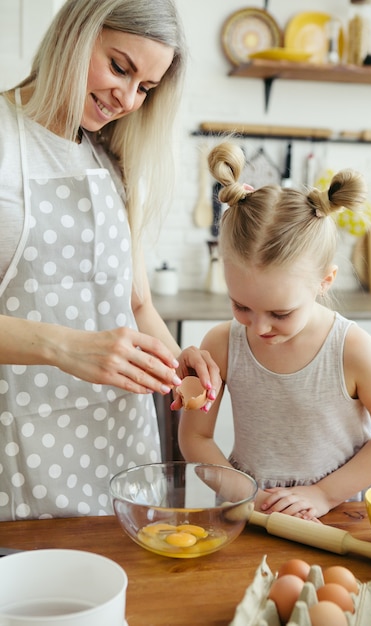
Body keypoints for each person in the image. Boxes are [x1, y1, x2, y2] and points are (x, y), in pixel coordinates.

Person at [0, 0, 220, 521]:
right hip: (18, 444)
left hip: (119, 445)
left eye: (145, 88)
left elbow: (135, 303)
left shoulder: (112, 158)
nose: (126, 98)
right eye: (120, 67)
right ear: (76, 34)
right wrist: (66, 347)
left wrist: (175, 361)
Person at [178, 140, 371, 520]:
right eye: (241, 306)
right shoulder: (222, 344)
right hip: (251, 510)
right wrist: (244, 493)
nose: (259, 326)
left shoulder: (352, 349)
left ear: (325, 281)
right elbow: (195, 436)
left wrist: (323, 494)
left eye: (280, 312)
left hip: (340, 512)